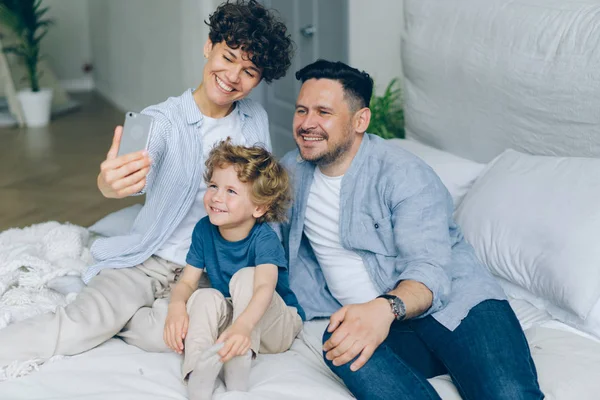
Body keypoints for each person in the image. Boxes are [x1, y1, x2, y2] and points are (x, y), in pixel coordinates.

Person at [0, 0, 293, 369]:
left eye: (249, 70)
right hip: (149, 260)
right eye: (228, 56)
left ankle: (128, 320)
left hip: (209, 270)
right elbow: (121, 177)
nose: (234, 76)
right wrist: (110, 181)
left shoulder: (255, 119)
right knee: (81, 326)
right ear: (209, 46)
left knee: (189, 338)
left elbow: (258, 194)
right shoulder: (162, 120)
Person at [279, 59, 544, 400]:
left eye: (323, 112)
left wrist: (382, 309)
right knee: (339, 345)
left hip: (459, 307)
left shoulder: (403, 173)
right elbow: (258, 240)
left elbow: (429, 269)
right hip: (386, 331)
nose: (307, 123)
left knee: (509, 395)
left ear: (361, 120)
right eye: (302, 110)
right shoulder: (289, 174)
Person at [163, 140, 304, 399]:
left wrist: (243, 328)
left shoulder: (264, 238)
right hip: (235, 319)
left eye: (231, 191)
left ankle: (239, 362)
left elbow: (264, 288)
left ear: (259, 207)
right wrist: (176, 307)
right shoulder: (204, 229)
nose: (217, 197)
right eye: (214, 186)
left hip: (274, 325)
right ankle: (197, 372)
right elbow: (187, 282)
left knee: (247, 277)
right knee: (203, 296)